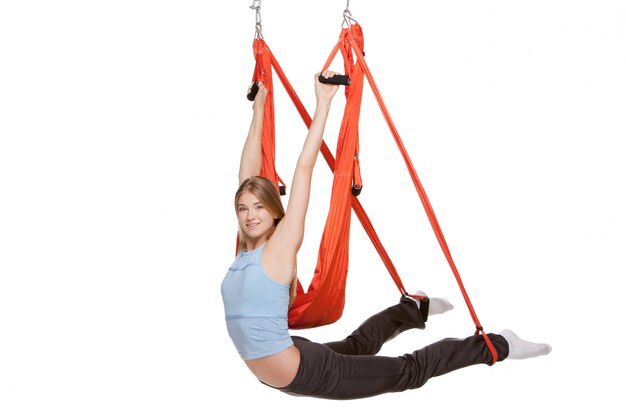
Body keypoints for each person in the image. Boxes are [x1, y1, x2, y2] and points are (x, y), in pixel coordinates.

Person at [221, 73, 552, 400]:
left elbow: (304, 167)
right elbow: (245, 175)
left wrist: (323, 104)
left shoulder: (280, 247)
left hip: (306, 372)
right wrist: (259, 107)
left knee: (408, 371)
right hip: (288, 362)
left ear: (275, 212)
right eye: (243, 209)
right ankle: (413, 310)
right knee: (356, 348)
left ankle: (499, 345)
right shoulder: (244, 252)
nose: (250, 215)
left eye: (259, 208)